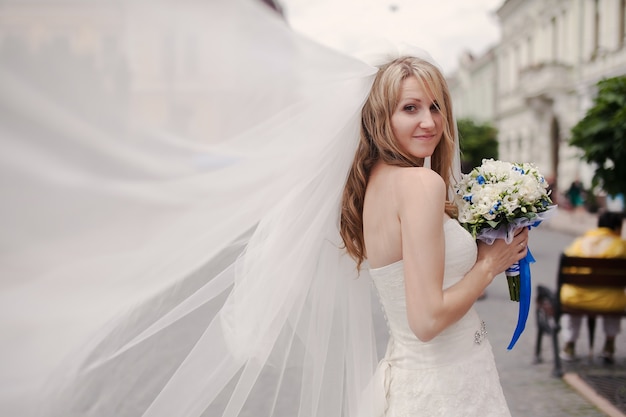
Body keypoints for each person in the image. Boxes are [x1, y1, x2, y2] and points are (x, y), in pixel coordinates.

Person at [339, 57, 529, 417]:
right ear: (382, 118)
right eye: (410, 108)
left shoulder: (376, 183)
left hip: (424, 381)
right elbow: (426, 320)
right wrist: (490, 264)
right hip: (446, 390)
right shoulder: (420, 184)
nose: (430, 122)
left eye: (436, 106)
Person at [560, 211, 626, 364]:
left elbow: (567, 271)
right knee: (613, 299)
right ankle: (609, 345)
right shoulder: (621, 246)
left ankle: (569, 344)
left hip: (578, 299)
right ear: (617, 228)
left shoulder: (580, 243)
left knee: (573, 298)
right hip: (609, 302)